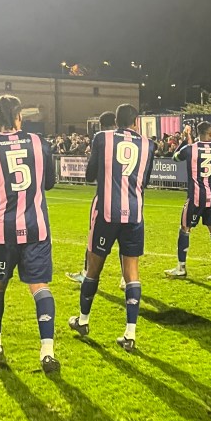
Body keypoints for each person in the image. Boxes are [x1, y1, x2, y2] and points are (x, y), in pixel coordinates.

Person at [0, 94, 60, 373]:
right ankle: (47, 351)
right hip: (36, 227)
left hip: (3, 229)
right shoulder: (39, 143)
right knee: (40, 286)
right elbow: (49, 183)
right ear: (18, 117)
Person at [68, 105, 154, 351]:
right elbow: (144, 181)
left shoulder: (102, 138)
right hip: (135, 214)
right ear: (136, 122)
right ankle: (130, 333)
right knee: (131, 272)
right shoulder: (149, 145)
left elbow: (89, 175)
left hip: (106, 212)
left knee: (93, 269)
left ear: (116, 121)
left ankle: (83, 321)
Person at [66, 110, 127, 288]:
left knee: (94, 238)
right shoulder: (135, 141)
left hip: (106, 200)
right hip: (130, 200)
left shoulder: (101, 139)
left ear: (100, 126)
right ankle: (126, 278)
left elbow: (90, 175)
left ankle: (86, 273)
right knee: (125, 240)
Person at [164, 121, 211, 282]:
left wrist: (184, 140)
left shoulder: (190, 149)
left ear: (198, 133)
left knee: (185, 229)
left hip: (196, 198)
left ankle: (181, 267)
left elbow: (175, 158)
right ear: (210, 134)